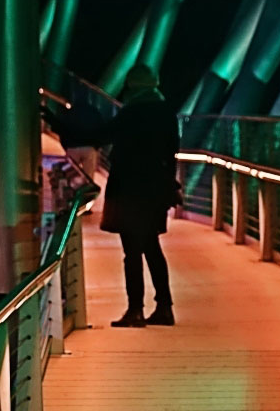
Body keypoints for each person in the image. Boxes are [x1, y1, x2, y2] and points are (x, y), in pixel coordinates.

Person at [43, 64, 181, 327]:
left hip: (129, 189)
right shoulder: (165, 112)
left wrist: (56, 123)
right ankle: (165, 307)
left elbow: (98, 136)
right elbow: (171, 152)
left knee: (132, 252)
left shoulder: (132, 113)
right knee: (151, 247)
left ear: (132, 85)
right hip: (155, 190)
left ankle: (135, 310)